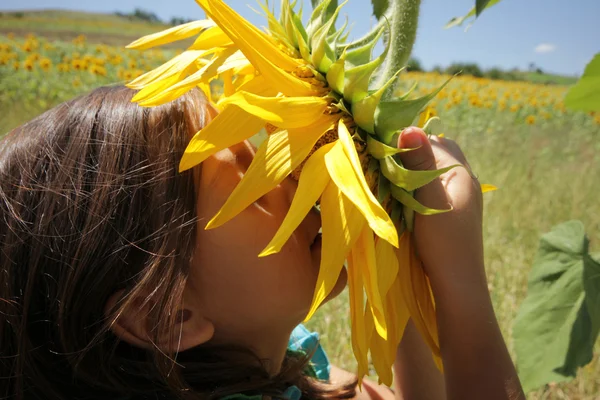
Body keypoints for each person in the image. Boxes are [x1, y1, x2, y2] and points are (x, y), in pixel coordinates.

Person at [0, 86, 525, 400]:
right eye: (253, 174)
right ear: (166, 316)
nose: (296, 176)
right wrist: (463, 289)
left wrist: (395, 249)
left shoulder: (281, 363)